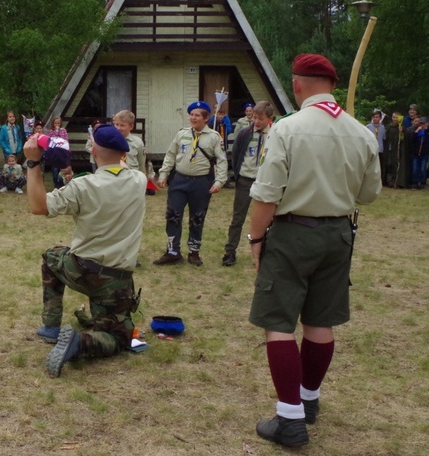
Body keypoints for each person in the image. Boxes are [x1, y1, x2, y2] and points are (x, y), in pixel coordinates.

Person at [247, 54, 381, 447]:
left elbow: (266, 196)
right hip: (338, 234)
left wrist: (256, 240)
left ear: (297, 85)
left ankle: (290, 418)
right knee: (321, 322)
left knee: (279, 322)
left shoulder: (287, 129)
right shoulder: (361, 133)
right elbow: (369, 194)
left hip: (293, 233)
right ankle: (308, 401)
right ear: (332, 85)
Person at [25, 124, 146, 378]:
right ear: (123, 154)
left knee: (51, 256)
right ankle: (81, 343)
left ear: (93, 152)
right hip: (118, 280)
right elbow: (117, 166)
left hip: (81, 271)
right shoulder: (138, 180)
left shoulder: (82, 186)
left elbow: (38, 206)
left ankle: (51, 327)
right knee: (118, 338)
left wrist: (33, 162)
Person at [153, 101, 227, 267]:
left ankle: (194, 252)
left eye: (197, 115)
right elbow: (171, 155)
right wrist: (163, 174)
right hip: (179, 180)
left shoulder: (214, 137)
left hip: (201, 183)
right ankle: (173, 251)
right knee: (173, 216)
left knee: (197, 218)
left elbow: (222, 161)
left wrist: (220, 181)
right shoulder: (182, 134)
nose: (193, 118)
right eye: (191, 115)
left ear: (206, 118)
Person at [222, 101, 273, 266]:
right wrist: (237, 176)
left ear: (269, 119)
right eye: (255, 118)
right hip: (245, 180)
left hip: (265, 181)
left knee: (267, 219)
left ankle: (266, 252)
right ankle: (230, 252)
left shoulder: (274, 135)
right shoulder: (244, 133)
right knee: (238, 218)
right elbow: (236, 155)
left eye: (261, 119)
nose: (257, 122)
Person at [47, 116, 69, 189]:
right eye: (55, 123)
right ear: (53, 123)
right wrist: (56, 131)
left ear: (60, 123)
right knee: (55, 171)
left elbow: (65, 140)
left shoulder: (64, 131)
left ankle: (62, 185)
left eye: (58, 123)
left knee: (63, 170)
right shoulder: (51, 131)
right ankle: (56, 185)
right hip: (54, 154)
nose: (57, 124)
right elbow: (51, 140)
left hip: (62, 153)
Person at [408, 116, 428, 189]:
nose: (422, 125)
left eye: (423, 123)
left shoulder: (427, 132)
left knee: (423, 168)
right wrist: (416, 132)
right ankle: (414, 182)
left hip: (424, 153)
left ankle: (422, 182)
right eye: (421, 123)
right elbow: (411, 140)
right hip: (415, 153)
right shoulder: (415, 131)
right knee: (415, 168)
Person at [366, 109, 386, 180]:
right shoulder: (368, 127)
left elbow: (384, 138)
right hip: (371, 149)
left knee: (379, 165)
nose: (375, 118)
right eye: (374, 117)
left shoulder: (382, 127)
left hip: (379, 149)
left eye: (377, 117)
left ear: (380, 118)